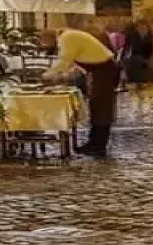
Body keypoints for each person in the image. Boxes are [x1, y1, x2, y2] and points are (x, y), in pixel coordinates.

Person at [39, 27, 118, 157]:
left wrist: (46, 75)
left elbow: (64, 61)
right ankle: (94, 142)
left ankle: (98, 145)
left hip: (104, 70)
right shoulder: (68, 37)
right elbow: (76, 64)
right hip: (98, 71)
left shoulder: (67, 38)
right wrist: (64, 77)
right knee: (96, 106)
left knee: (101, 107)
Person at [124, 19, 153, 87]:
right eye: (141, 26)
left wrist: (149, 58)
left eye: (144, 26)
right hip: (134, 58)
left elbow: (151, 47)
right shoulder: (131, 35)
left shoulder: (149, 35)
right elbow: (127, 47)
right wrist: (127, 57)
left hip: (145, 58)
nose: (143, 28)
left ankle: (141, 86)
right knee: (135, 77)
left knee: (143, 78)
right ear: (137, 27)